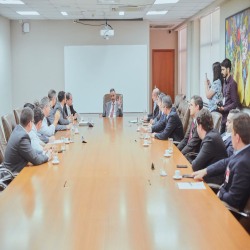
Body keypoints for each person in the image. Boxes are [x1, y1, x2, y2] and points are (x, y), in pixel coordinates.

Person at [192, 112, 250, 210]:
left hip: (228, 211)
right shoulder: (243, 152)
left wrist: (220, 192)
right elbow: (225, 162)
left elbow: (233, 199)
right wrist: (205, 171)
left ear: (237, 138)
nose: (230, 137)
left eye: (232, 133)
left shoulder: (243, 163)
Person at [2, 107, 52, 174]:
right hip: (12, 176)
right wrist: (47, 156)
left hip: (14, 170)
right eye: (33, 121)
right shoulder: (23, 137)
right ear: (30, 123)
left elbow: (30, 151)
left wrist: (43, 153)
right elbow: (35, 160)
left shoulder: (18, 129)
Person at [190, 109, 228, 185]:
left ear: (200, 127)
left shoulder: (209, 139)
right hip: (208, 178)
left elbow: (195, 166)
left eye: (197, 126)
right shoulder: (213, 133)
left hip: (212, 183)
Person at [218, 59, 238, 134]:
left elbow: (235, 103)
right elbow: (225, 99)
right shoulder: (224, 83)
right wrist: (220, 104)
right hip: (223, 117)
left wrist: (224, 108)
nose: (221, 72)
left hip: (228, 119)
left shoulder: (232, 84)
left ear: (228, 69)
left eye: (223, 70)